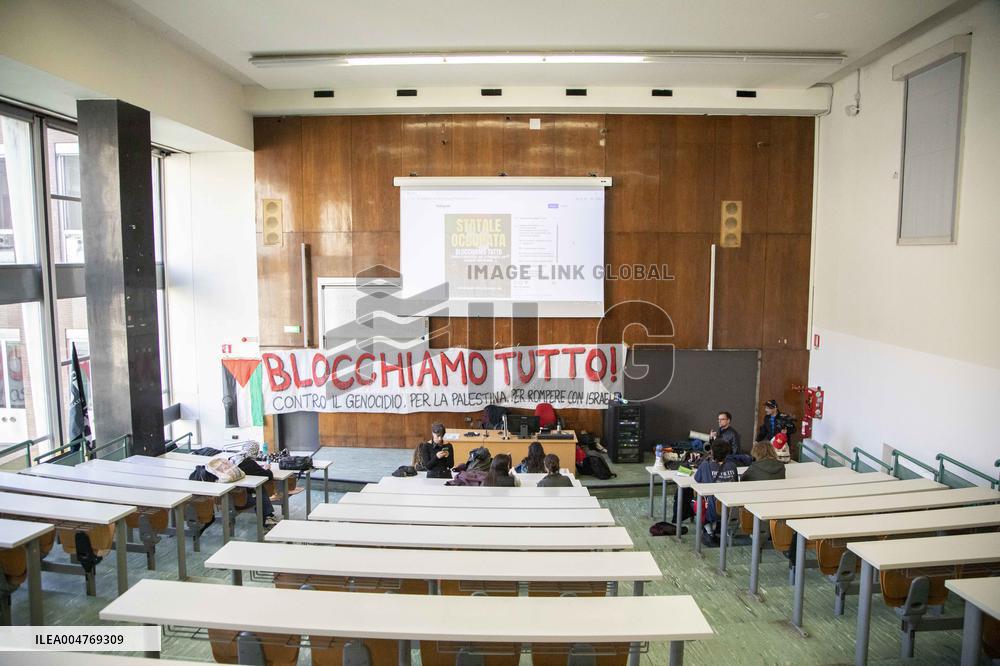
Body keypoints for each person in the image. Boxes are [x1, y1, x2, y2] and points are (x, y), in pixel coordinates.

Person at [693, 439, 740, 545]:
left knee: (695, 501)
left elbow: (697, 479)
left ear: (712, 451)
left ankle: (709, 530)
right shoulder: (733, 466)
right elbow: (735, 483)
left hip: (713, 510)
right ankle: (716, 528)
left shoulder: (705, 465)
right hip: (731, 509)